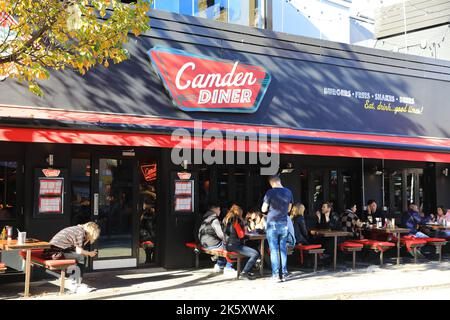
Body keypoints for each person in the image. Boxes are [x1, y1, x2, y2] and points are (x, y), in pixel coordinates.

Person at [45, 222, 100, 293]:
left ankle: (73, 281)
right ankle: (77, 285)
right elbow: (79, 251)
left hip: (51, 252)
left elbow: (74, 248)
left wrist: (87, 240)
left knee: (77, 257)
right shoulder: (81, 233)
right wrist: (90, 253)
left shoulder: (77, 229)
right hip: (55, 254)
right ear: (92, 232)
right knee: (81, 257)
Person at [261, 175, 293, 282]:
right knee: (282, 249)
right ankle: (284, 274)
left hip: (272, 224)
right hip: (284, 224)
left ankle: (275, 275)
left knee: (274, 250)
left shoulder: (270, 192)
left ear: (272, 183)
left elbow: (264, 209)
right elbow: (289, 209)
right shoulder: (289, 192)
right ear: (279, 181)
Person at [223, 204, 260, 280]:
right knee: (255, 253)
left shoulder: (227, 219)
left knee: (249, 251)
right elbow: (241, 235)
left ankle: (244, 271)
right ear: (239, 212)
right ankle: (244, 273)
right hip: (235, 245)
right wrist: (246, 233)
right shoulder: (236, 220)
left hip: (228, 245)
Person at [198, 202, 234, 274]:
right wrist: (228, 240)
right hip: (212, 243)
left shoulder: (204, 217)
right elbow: (220, 234)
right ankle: (228, 267)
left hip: (203, 243)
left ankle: (219, 265)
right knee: (231, 246)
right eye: (219, 209)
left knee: (223, 246)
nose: (220, 211)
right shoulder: (214, 219)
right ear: (215, 209)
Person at [139, 198, 157, 263]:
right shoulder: (145, 213)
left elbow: (144, 225)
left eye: (145, 204)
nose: (144, 205)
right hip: (148, 236)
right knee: (150, 248)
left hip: (148, 236)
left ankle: (149, 261)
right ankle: (150, 261)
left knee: (150, 248)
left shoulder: (146, 214)